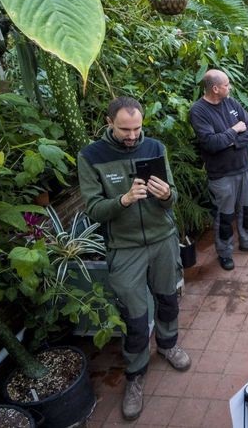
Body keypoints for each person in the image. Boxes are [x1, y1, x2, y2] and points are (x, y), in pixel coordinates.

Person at [78, 96, 191, 422]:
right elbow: (94, 210)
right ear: (109, 122)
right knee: (135, 315)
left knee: (168, 299)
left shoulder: (154, 147)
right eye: (125, 129)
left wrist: (167, 194)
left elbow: (173, 197)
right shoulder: (91, 157)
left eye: (137, 128)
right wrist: (124, 200)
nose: (132, 135)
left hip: (162, 240)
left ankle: (169, 345)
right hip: (124, 247)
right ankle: (136, 373)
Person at [190, 69, 248, 271]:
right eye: (226, 84)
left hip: (243, 168)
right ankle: (224, 253)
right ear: (215, 88)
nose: (229, 87)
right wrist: (234, 130)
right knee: (224, 216)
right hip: (221, 175)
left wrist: (232, 142)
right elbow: (211, 143)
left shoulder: (232, 103)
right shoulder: (198, 111)